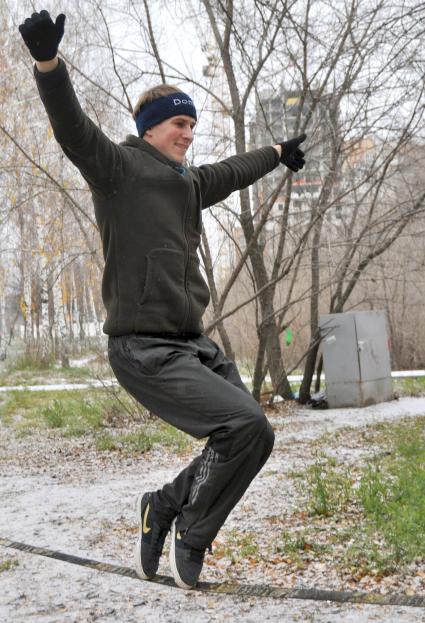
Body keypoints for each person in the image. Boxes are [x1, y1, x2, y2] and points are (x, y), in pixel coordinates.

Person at [19, 10, 306, 589]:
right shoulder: (118, 169)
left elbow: (230, 170)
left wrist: (276, 152)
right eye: (179, 124)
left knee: (256, 433)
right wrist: (49, 65)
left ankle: (163, 506)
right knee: (244, 421)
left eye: (192, 126)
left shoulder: (188, 184)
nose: (188, 134)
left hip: (190, 344)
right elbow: (73, 130)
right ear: (150, 128)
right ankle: (191, 532)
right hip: (143, 348)